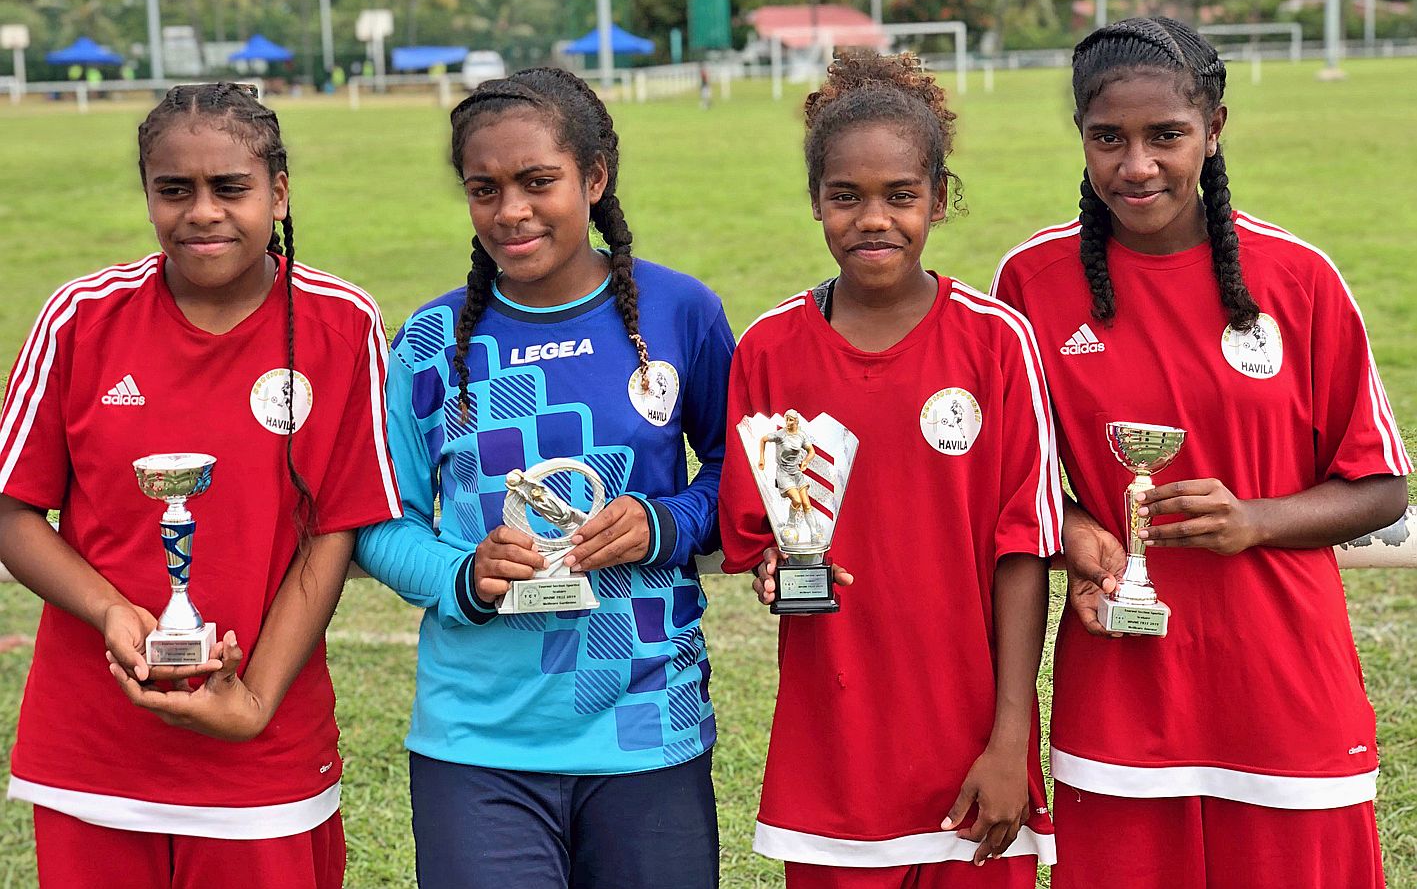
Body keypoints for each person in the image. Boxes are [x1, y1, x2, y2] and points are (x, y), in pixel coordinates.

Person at [991, 16, 1411, 889]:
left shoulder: (1298, 279)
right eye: (1108, 137)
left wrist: (1254, 519)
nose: (1135, 165)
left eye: (1165, 136)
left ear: (1213, 128)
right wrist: (1074, 531)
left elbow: (1381, 485)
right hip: (1120, 686)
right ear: (1080, 137)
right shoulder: (1030, 283)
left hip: (1284, 686)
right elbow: (1012, 477)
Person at [0, 82, 400, 888]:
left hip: (264, 758)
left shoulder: (340, 322)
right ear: (147, 194)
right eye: (174, 189)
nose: (203, 212)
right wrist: (112, 608)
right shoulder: (80, 317)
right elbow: (10, 509)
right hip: (94, 749)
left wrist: (252, 700)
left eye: (232, 187)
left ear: (279, 192)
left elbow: (333, 529)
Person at [354, 66, 733, 889]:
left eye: (537, 182)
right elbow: (383, 521)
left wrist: (661, 521)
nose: (510, 211)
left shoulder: (680, 313)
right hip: (477, 741)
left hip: (645, 719)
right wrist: (463, 573)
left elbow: (739, 475)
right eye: (483, 188)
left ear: (594, 179)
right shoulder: (428, 340)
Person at [719, 50, 1061, 889]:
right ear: (815, 202)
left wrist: (1010, 736)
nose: (873, 219)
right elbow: (759, 534)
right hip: (834, 750)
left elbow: (1023, 548)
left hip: (973, 748)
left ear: (937, 200)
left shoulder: (994, 340)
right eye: (846, 196)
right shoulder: (769, 348)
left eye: (899, 196)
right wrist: (773, 567)